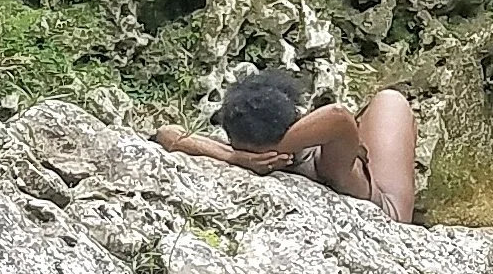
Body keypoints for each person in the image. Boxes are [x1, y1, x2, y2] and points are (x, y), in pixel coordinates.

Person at [157, 66, 418, 222]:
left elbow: (338, 116)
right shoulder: (328, 165)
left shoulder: (255, 150)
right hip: (391, 210)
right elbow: (167, 134)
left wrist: (242, 156)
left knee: (387, 101)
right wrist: (235, 158)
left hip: (371, 183)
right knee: (390, 99)